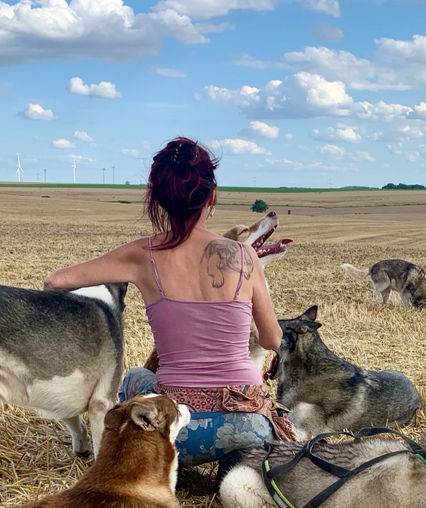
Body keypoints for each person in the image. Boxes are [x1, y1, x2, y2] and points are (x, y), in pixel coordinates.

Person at [44, 137, 296, 465]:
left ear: (157, 199)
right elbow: (272, 339)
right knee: (249, 442)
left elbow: (55, 282)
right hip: (251, 422)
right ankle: (240, 462)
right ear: (212, 195)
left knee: (135, 376)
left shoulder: (141, 255)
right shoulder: (245, 255)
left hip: (179, 430)